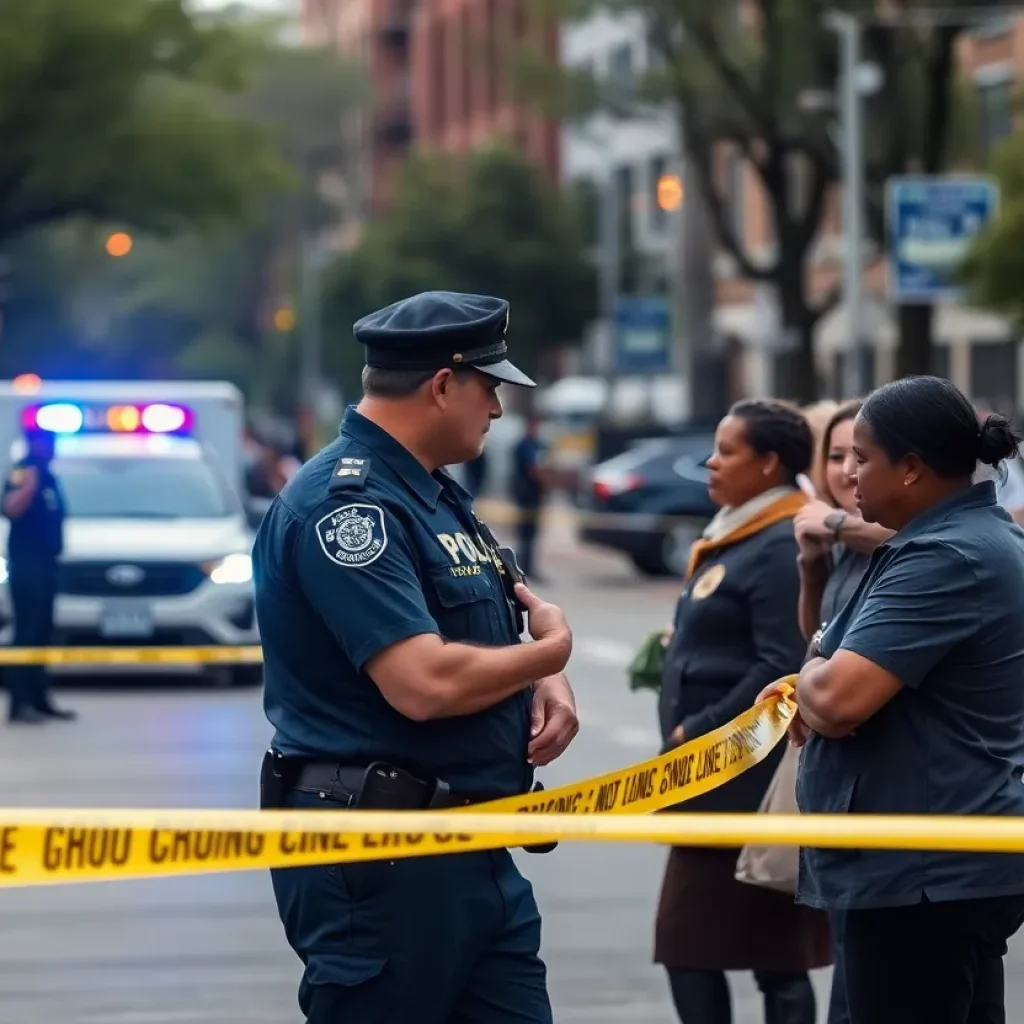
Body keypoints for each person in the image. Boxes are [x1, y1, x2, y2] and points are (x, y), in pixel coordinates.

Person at [253, 290, 579, 1024]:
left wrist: (547, 673)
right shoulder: (350, 510)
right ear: (442, 385)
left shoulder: (433, 494)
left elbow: (504, 594)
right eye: (490, 387)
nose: (497, 408)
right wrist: (552, 651)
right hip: (381, 862)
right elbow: (422, 684)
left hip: (473, 847)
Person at [779, 376, 1024, 1024]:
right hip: (931, 866)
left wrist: (802, 682)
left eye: (862, 457)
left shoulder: (945, 557)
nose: (848, 475)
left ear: (911, 468)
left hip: (921, 875)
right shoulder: (944, 543)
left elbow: (834, 698)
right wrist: (817, 672)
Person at [655, 399, 832, 1024]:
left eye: (727, 451)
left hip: (741, 783)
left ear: (768, 465)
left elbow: (779, 667)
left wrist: (694, 733)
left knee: (768, 956)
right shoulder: (736, 531)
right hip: (710, 785)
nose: (711, 460)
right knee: (696, 949)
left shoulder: (777, 544)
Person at [794, 400, 893, 643]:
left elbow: (914, 540)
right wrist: (812, 562)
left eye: (861, 457)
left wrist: (835, 524)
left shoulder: (915, 526)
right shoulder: (837, 537)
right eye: (836, 457)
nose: (848, 471)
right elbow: (816, 637)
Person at [1, 423, 76, 723]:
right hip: (27, 565)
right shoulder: (23, 471)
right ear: (33, 444)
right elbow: (10, 508)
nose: (51, 447)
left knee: (44, 632)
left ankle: (40, 697)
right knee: (27, 633)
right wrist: (29, 485)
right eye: (46, 442)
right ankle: (20, 703)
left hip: (47, 564)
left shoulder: (49, 475)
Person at [511, 415, 547, 581]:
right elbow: (533, 469)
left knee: (531, 535)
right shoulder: (524, 445)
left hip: (535, 494)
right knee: (525, 534)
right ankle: (523, 567)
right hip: (526, 494)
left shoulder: (538, 444)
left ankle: (529, 567)